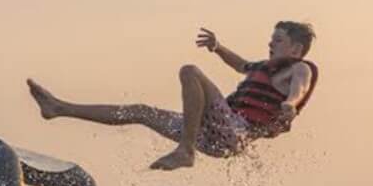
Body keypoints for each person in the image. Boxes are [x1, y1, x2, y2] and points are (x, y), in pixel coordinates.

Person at [27, 21, 320, 171]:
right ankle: (59, 107)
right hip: (213, 135)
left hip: (234, 133)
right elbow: (241, 65)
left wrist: (289, 106)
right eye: (271, 38)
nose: (270, 42)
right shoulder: (264, 68)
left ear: (295, 49)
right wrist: (218, 47)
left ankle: (186, 151)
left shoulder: (300, 68)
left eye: (277, 39)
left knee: (190, 71)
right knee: (141, 112)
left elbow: (300, 90)